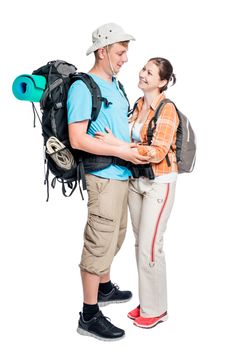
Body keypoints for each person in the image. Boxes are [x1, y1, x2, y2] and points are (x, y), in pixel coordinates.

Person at [67, 23, 150, 341]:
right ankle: (88, 316)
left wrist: (130, 148)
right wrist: (123, 153)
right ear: (102, 52)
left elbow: (115, 129)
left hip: (121, 173)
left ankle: (103, 288)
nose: (126, 58)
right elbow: (78, 139)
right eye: (120, 52)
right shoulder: (82, 87)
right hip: (102, 177)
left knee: (115, 236)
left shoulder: (115, 84)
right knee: (98, 241)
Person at [95, 57, 179, 329]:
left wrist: (119, 146)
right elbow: (131, 140)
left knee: (150, 246)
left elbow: (157, 152)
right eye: (143, 69)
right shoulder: (139, 105)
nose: (142, 74)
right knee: (139, 244)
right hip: (136, 180)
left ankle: (157, 309)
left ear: (163, 82)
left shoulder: (167, 110)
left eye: (150, 73)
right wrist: (121, 146)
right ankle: (148, 301)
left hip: (159, 182)